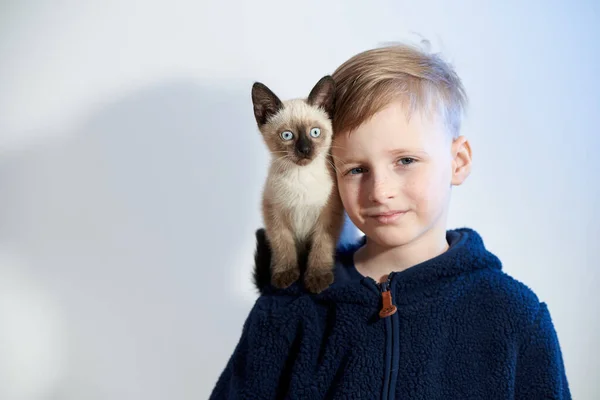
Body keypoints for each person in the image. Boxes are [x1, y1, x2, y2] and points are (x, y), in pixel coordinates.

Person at [209, 43, 571, 399]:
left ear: (457, 161)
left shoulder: (515, 314)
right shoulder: (287, 308)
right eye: (356, 169)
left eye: (406, 161)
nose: (380, 191)